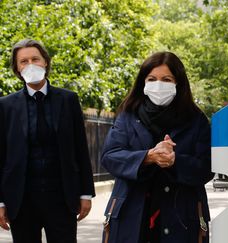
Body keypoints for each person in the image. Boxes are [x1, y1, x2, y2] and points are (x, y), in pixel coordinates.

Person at [101, 51, 213, 243]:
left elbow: (207, 167)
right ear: (143, 83)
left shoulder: (196, 120)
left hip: (182, 219)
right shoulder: (128, 115)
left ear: (178, 83)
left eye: (166, 79)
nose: (158, 84)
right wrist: (148, 156)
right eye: (152, 79)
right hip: (131, 216)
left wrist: (175, 160)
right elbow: (110, 156)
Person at [0, 39, 96, 243]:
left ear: (45, 62)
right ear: (17, 68)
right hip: (21, 199)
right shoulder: (6, 106)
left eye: (35, 59)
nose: (30, 64)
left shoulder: (68, 99)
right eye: (23, 61)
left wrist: (86, 193)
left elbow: (80, 148)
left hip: (61, 197)